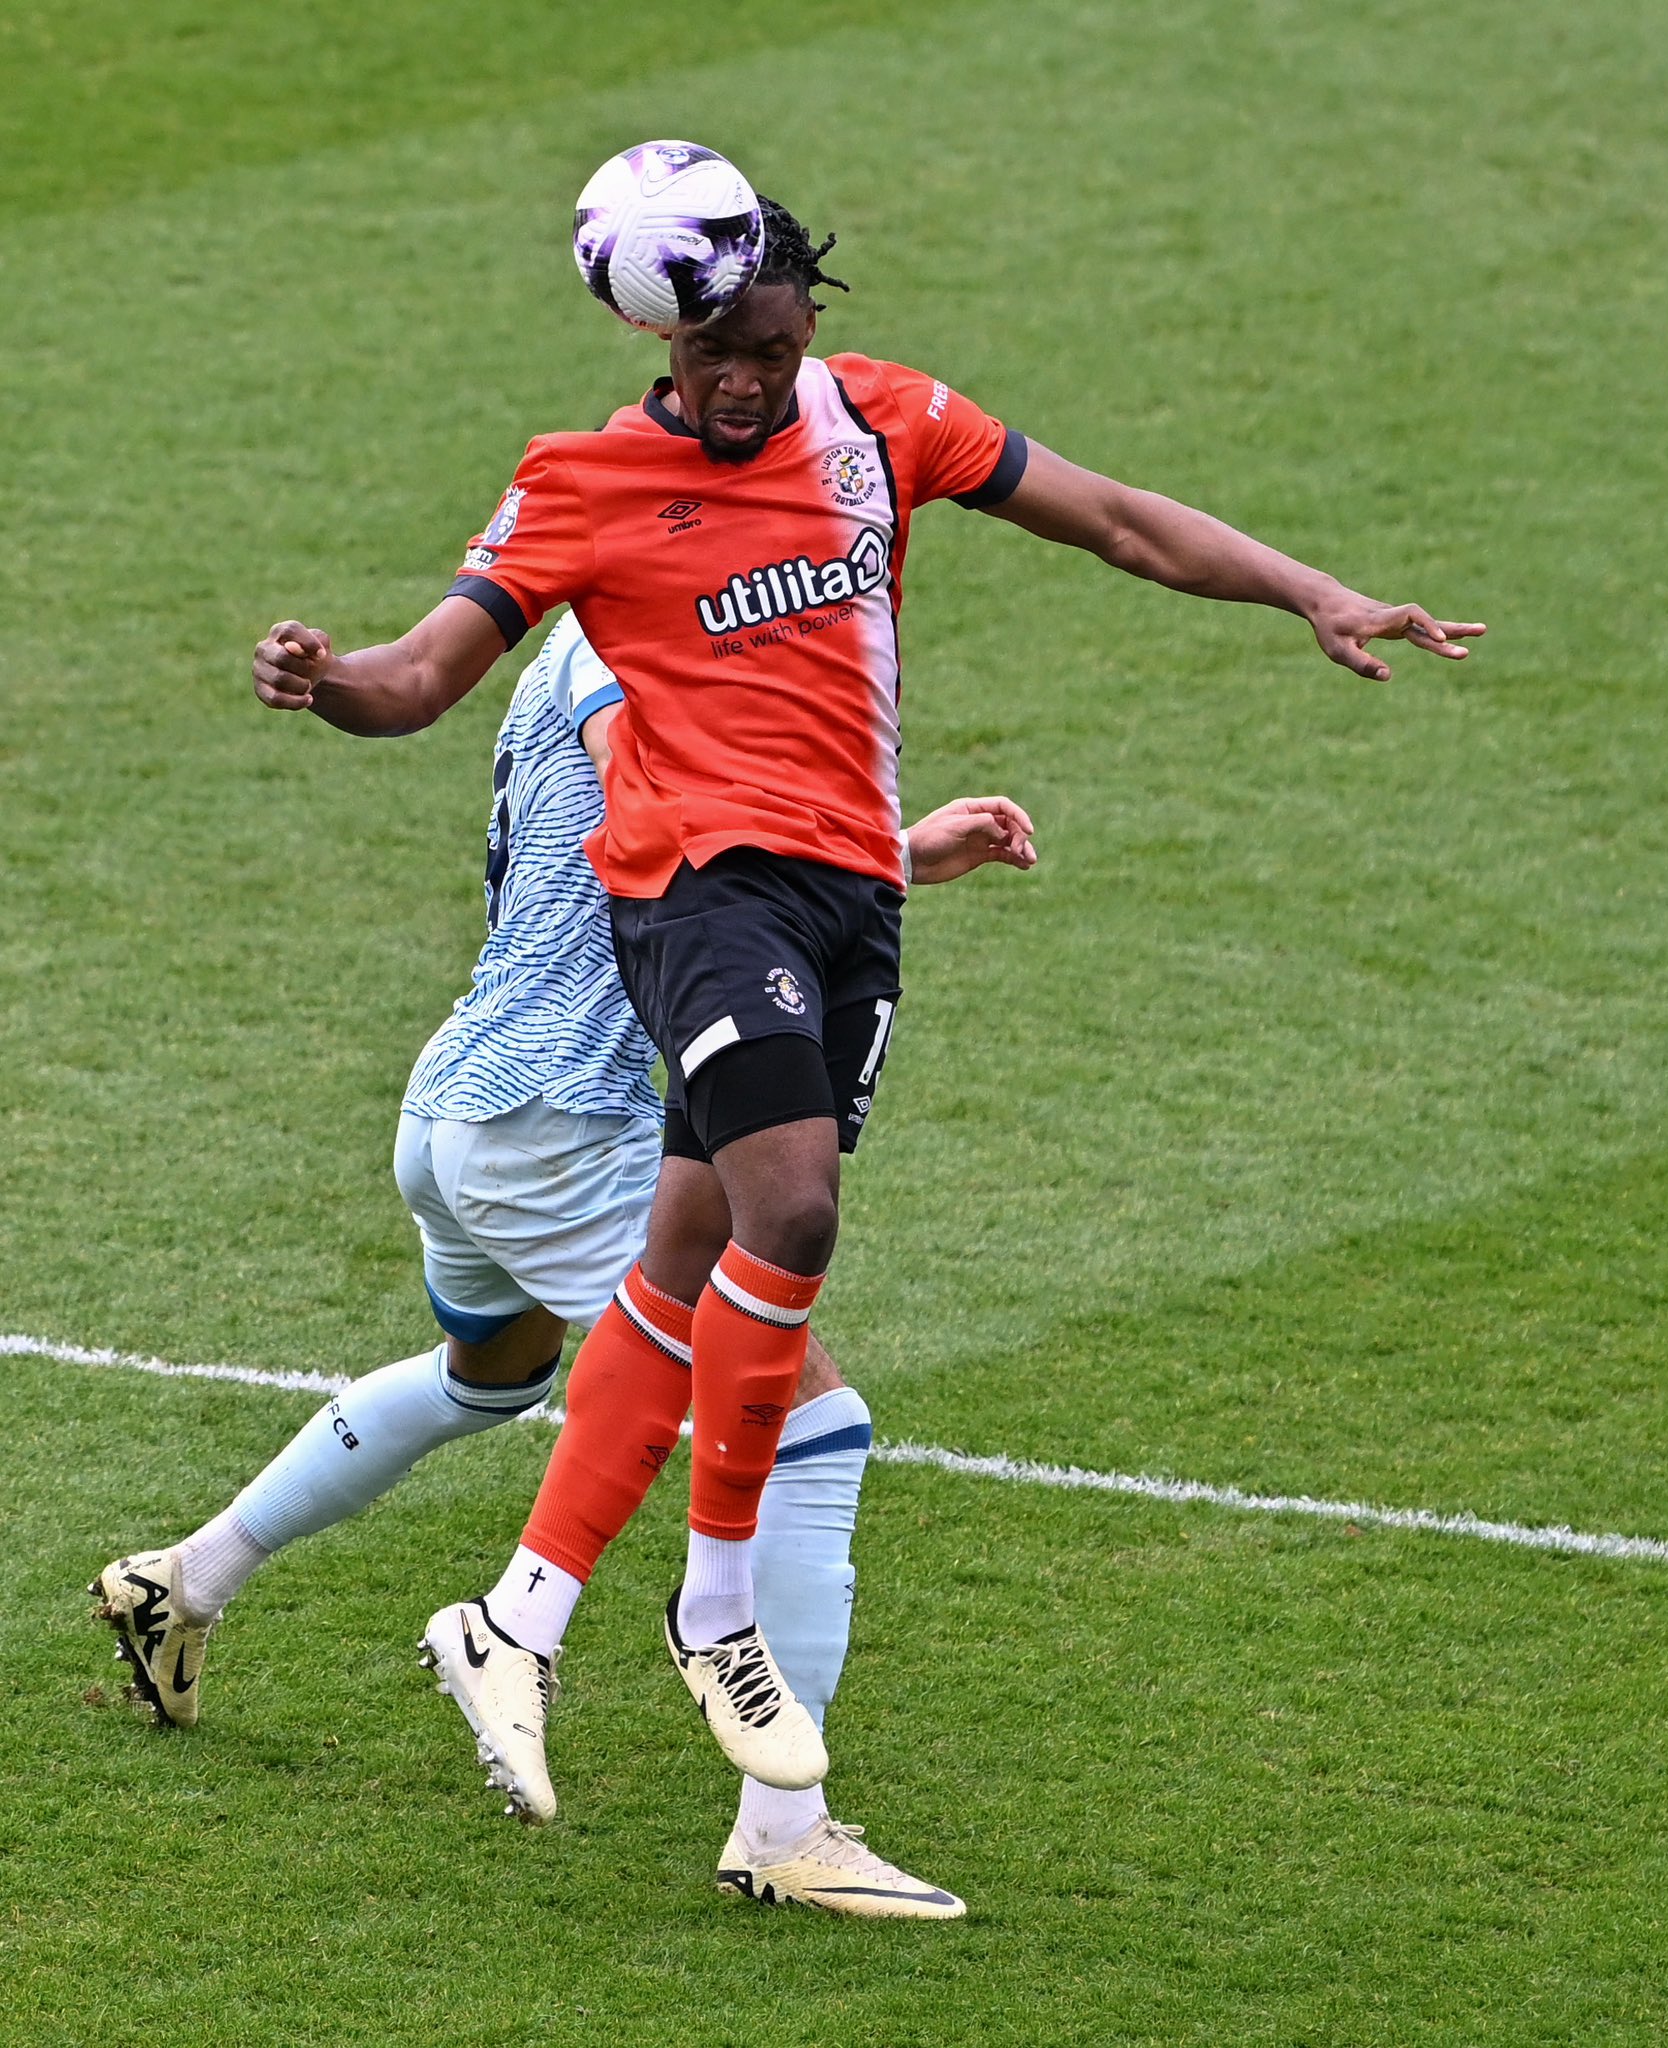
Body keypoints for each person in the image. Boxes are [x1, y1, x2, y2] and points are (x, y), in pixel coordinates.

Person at [249, 187, 1483, 1806]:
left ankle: (517, 1616)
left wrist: (1309, 591)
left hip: (848, 900)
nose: (746, 382)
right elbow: (416, 679)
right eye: (713, 355)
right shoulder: (584, 480)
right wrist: (324, 679)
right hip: (698, 887)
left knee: (687, 1255)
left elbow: (1114, 518)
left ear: (803, 320)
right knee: (796, 1215)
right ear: (655, 337)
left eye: (770, 345)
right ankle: (712, 1620)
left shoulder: (885, 421)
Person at [95, 608, 1032, 1918]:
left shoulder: (615, 624)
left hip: (467, 1097)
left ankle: (180, 1582)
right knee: (813, 1422)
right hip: (557, 1118)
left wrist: (892, 850)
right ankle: (784, 1827)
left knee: (492, 1376)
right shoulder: (633, 640)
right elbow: (671, 807)